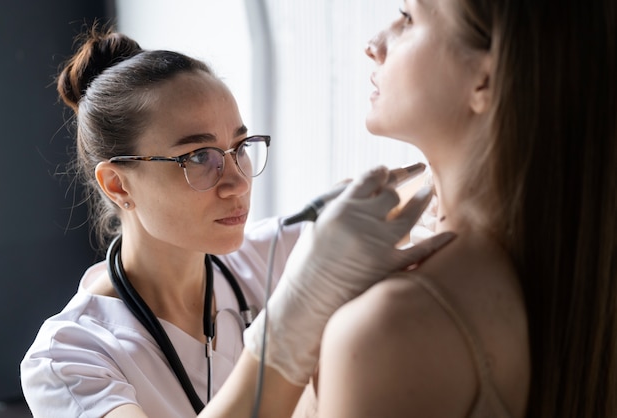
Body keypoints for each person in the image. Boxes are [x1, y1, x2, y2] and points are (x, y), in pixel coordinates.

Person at [199, 0, 617, 417]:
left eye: (408, 18)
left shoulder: (390, 328)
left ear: (485, 80)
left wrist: (293, 321)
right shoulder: (565, 262)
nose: (373, 44)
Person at [20, 24, 453, 418]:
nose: (237, 182)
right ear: (117, 185)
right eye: (198, 157)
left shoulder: (282, 253)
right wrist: (290, 318)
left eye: (240, 147)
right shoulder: (68, 358)